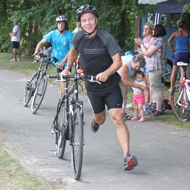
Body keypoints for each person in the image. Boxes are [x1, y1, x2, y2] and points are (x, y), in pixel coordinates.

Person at [61, 5, 138, 171]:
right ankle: (95, 121)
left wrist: (106, 72)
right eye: (84, 20)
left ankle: (127, 157)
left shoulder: (106, 37)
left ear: (96, 20)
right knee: (101, 119)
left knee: (118, 118)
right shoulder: (78, 37)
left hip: (110, 85)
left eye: (90, 19)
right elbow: (73, 52)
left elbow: (118, 61)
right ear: (80, 23)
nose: (87, 23)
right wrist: (68, 67)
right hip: (92, 87)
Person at [34, 15, 73, 97]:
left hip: (67, 61)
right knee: (64, 78)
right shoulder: (52, 33)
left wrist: (63, 62)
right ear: (57, 24)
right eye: (59, 24)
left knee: (66, 80)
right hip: (56, 60)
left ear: (65, 25)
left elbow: (71, 51)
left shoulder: (70, 35)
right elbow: (40, 43)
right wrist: (36, 53)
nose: (61, 25)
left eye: (62, 24)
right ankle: (64, 99)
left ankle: (63, 95)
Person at [135, 24, 167, 117]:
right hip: (154, 67)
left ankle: (159, 109)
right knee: (154, 87)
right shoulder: (158, 40)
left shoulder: (158, 41)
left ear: (157, 31)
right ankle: (156, 107)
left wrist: (141, 44)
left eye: (153, 30)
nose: (152, 31)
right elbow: (147, 52)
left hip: (156, 67)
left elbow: (148, 53)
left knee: (155, 88)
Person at [118, 54, 146, 120]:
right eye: (136, 66)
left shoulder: (134, 65)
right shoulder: (125, 64)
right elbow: (125, 81)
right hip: (114, 76)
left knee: (124, 94)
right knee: (115, 94)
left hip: (122, 78)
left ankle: (122, 113)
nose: (136, 69)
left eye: (138, 68)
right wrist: (138, 85)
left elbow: (133, 76)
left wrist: (141, 83)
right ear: (133, 61)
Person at [168, 19, 190, 92]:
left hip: (178, 53)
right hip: (186, 54)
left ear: (178, 25)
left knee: (174, 71)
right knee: (183, 71)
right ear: (184, 25)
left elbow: (169, 41)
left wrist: (172, 49)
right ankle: (181, 88)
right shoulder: (188, 33)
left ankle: (171, 88)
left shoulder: (176, 33)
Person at [139, 23, 155, 103]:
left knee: (149, 84)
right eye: (144, 28)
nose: (145, 30)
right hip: (144, 62)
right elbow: (142, 51)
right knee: (145, 84)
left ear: (151, 30)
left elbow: (148, 52)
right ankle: (146, 103)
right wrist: (144, 52)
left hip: (149, 62)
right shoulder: (144, 39)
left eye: (147, 28)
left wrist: (144, 52)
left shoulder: (152, 39)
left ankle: (152, 103)